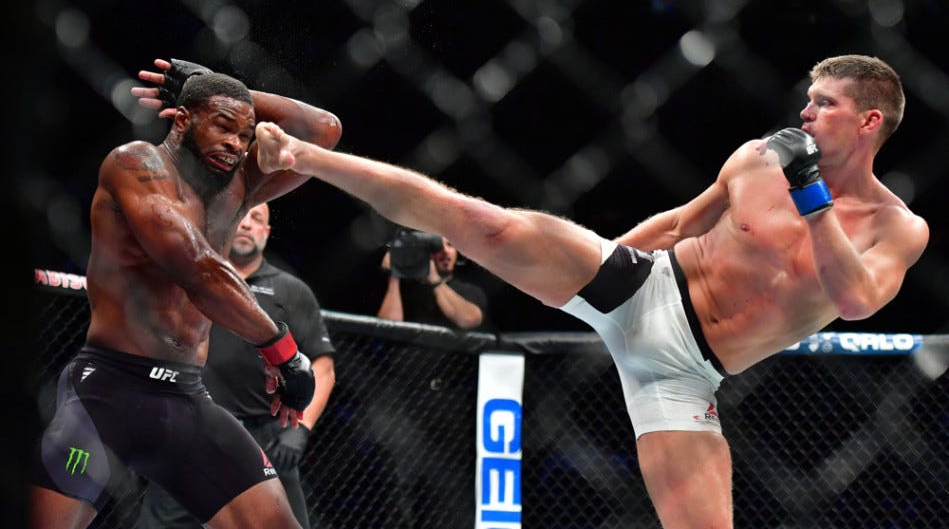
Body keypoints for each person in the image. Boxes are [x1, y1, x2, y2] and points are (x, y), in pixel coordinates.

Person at [252, 54, 929, 528]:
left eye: (824, 104)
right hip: (645, 287)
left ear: (868, 122)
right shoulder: (756, 158)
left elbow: (855, 301)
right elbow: (678, 223)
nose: (804, 113)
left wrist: (812, 199)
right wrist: (600, 272)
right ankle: (301, 156)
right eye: (807, 99)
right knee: (483, 220)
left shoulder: (896, 226)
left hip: (686, 375)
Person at [29, 58, 342, 529]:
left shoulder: (239, 183)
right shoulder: (135, 164)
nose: (236, 145)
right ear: (182, 119)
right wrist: (281, 349)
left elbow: (324, 131)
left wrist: (229, 93)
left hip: (185, 398)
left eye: (245, 133)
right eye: (222, 127)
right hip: (106, 393)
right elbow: (198, 268)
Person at [137, 202, 336, 528]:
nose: (246, 225)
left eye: (256, 219)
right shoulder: (194, 278)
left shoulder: (291, 290)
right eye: (240, 217)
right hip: (193, 426)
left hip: (266, 436)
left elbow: (323, 367)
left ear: (266, 232)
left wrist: (300, 430)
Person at [377, 233, 487, 329]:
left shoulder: (470, 291)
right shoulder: (405, 290)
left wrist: (434, 280)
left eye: (450, 245)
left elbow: (468, 320)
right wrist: (394, 274)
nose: (445, 251)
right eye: (437, 246)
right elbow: (389, 328)